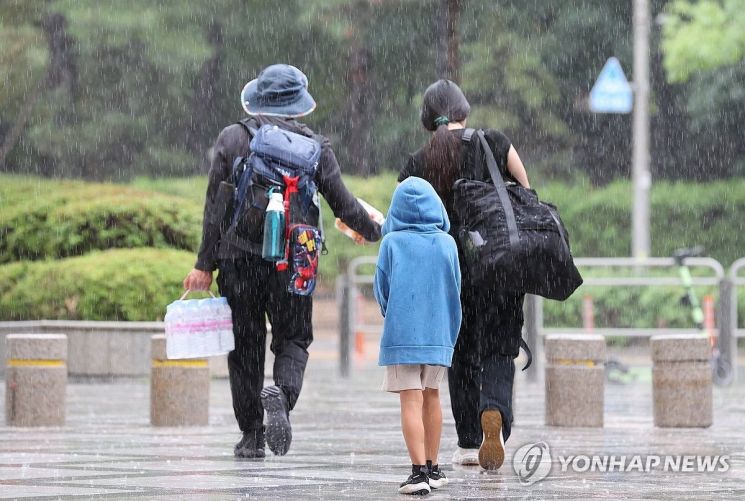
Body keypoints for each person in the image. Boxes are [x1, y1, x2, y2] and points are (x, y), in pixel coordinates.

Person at [183, 64, 382, 459]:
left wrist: (205, 264)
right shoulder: (315, 146)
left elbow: (215, 209)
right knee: (293, 338)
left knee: (245, 344)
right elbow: (343, 204)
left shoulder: (232, 138)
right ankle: (283, 398)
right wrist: (374, 230)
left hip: (239, 259)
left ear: (258, 99)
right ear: (298, 105)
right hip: (294, 260)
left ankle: (252, 434)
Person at [397, 79, 531, 470]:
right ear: (464, 111)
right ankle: (496, 413)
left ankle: (470, 441)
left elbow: (403, 215)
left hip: (447, 271)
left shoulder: (418, 161)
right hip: (499, 263)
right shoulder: (494, 142)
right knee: (500, 347)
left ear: (428, 120)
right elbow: (526, 191)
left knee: (459, 354)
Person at [374, 177, 462, 495]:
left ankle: (417, 473)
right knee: (433, 396)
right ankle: (434, 468)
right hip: (439, 332)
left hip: (403, 334)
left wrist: (395, 312)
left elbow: (382, 290)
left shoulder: (392, 243)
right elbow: (455, 289)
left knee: (411, 400)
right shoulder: (447, 243)